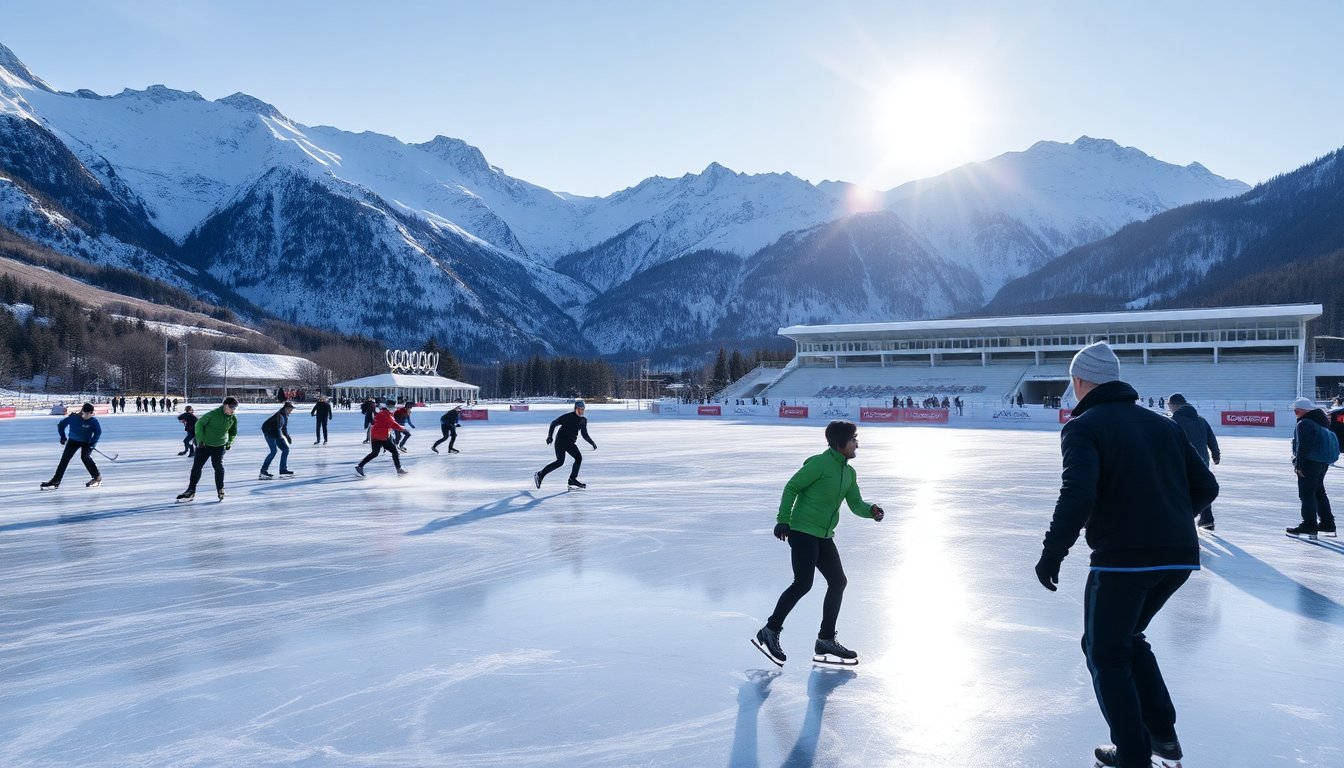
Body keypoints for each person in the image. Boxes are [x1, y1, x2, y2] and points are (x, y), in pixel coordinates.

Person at [1034, 342, 1217, 768]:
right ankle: (1162, 737)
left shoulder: (1084, 426)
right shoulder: (1164, 425)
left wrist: (1052, 552)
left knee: (1104, 652)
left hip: (1123, 561)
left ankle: (1134, 755)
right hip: (1177, 558)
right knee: (1126, 640)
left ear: (1079, 381)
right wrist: (1169, 520)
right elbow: (1206, 486)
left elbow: (1077, 493)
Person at [752, 420, 884, 668]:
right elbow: (792, 487)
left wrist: (871, 510)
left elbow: (855, 503)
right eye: (854, 439)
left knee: (838, 582)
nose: (857, 443)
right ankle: (770, 630)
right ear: (839, 443)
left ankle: (825, 639)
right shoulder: (819, 464)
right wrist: (783, 520)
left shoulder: (848, 472)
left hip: (824, 535)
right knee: (803, 583)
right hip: (802, 531)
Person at [1166, 393, 1222, 530]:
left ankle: (1184, 522)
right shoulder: (1201, 420)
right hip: (1202, 461)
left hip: (1181, 462)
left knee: (1182, 491)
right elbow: (1211, 439)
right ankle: (1207, 520)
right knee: (1201, 488)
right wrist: (1216, 454)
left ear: (1174, 405)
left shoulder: (1173, 421)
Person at [1288, 397, 1338, 539]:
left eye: (1297, 410)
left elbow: (1303, 446)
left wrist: (1298, 465)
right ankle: (1327, 523)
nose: (1295, 412)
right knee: (1319, 492)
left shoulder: (1304, 424)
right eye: (1294, 410)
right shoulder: (1320, 422)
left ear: (1305, 410)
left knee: (1307, 494)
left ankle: (1309, 525)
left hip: (1309, 463)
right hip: (1322, 463)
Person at [177, 397, 238, 502]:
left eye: (235, 408)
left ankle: (220, 489)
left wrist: (229, 442)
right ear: (225, 405)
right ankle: (191, 491)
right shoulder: (212, 414)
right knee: (196, 468)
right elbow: (199, 424)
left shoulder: (233, 418)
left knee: (218, 467)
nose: (233, 410)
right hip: (204, 445)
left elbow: (233, 432)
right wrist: (200, 440)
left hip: (219, 446)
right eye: (232, 407)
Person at [534, 399, 596, 489]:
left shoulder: (583, 420)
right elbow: (554, 423)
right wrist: (550, 436)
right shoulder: (568, 417)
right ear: (575, 409)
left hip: (570, 443)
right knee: (560, 462)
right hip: (560, 442)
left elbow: (584, 434)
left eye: (583, 410)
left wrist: (592, 443)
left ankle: (572, 479)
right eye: (579, 409)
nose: (581, 411)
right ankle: (540, 474)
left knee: (578, 458)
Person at [41, 402, 103, 490]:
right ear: (82, 412)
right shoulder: (73, 418)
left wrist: (92, 444)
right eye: (86, 414)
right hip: (73, 441)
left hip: (86, 442)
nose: (88, 416)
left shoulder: (93, 421)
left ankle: (97, 478)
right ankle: (56, 481)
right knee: (64, 459)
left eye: (90, 414)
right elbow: (61, 425)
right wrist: (63, 436)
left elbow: (98, 432)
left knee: (85, 457)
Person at [356, 400, 408, 477]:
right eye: (393, 406)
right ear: (389, 406)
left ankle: (360, 466)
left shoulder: (382, 413)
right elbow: (393, 424)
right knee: (394, 451)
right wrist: (403, 429)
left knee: (375, 453)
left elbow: (389, 423)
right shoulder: (386, 414)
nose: (394, 408)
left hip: (374, 436)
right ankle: (399, 469)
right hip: (382, 436)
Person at [259, 401, 296, 479]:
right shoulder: (279, 415)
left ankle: (283, 469)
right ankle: (263, 471)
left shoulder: (285, 415)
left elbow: (284, 428)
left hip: (276, 433)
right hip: (268, 432)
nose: (291, 411)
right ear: (286, 408)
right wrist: (280, 438)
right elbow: (276, 428)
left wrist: (287, 436)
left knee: (285, 449)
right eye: (290, 409)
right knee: (273, 451)